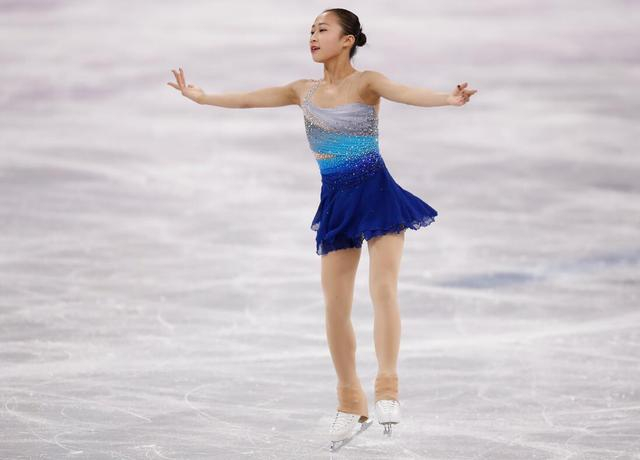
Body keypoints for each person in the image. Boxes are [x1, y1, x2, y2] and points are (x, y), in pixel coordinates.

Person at [168, 7, 477, 450]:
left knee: (383, 289)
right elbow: (251, 99)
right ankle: (351, 402)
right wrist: (203, 97)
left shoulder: (367, 82)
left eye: (323, 29)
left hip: (377, 195)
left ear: (347, 40)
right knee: (335, 305)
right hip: (336, 203)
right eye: (311, 29)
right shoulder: (303, 90)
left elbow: (406, 93)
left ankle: (387, 388)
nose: (313, 36)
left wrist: (447, 99)